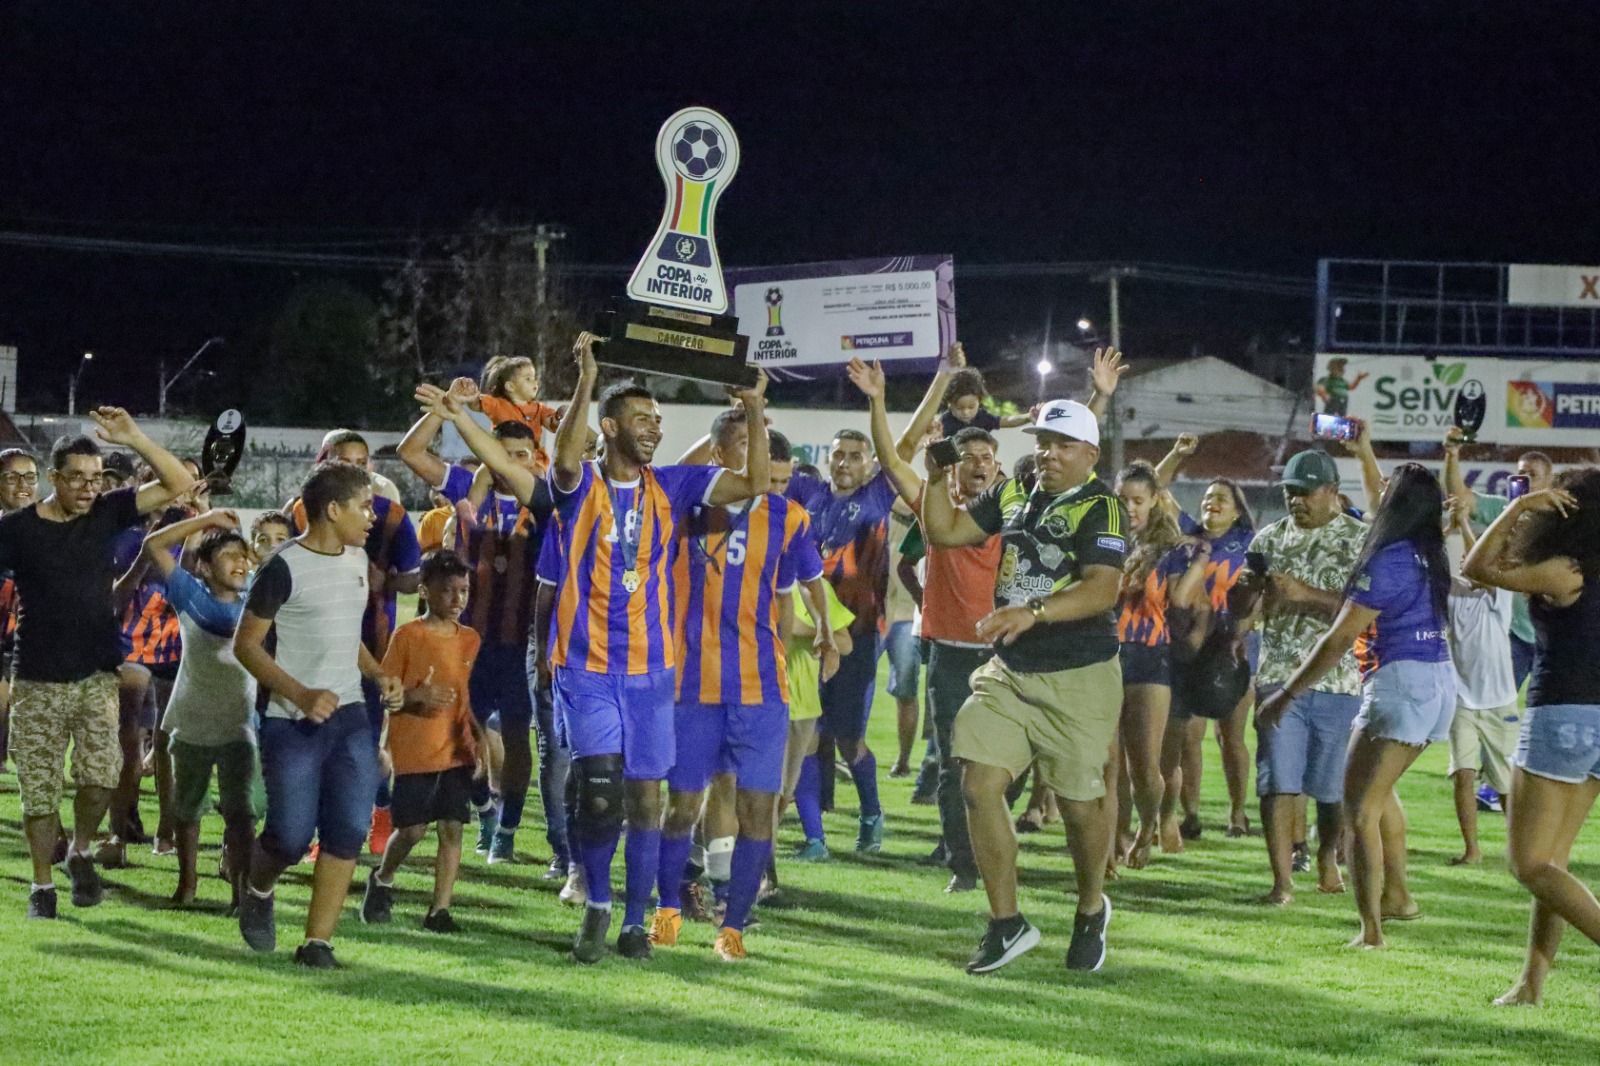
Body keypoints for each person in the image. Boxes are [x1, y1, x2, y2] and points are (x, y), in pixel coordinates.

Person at [473, 331, 770, 963]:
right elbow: (561, 463)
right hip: (587, 668)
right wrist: (586, 379)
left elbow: (753, 482)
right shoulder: (578, 488)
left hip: (652, 674)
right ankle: (599, 902)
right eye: (641, 419)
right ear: (608, 427)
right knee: (601, 794)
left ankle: (637, 919)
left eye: (659, 421)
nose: (654, 429)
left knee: (645, 799)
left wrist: (751, 409)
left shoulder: (677, 486)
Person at [922, 397, 1126, 975]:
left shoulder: (1103, 507)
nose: (1049, 453)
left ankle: (1090, 907)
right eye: (1042, 442)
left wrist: (1033, 610)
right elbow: (945, 529)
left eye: (1062, 445)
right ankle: (1006, 924)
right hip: (1011, 671)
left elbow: (1102, 589)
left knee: (1080, 806)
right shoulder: (1017, 491)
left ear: (1090, 453)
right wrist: (937, 478)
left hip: (1078, 676)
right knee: (979, 782)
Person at [0, 411, 193, 919]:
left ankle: (82, 849)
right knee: (39, 791)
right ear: (54, 478)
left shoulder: (108, 512)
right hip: (38, 678)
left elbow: (180, 482)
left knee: (100, 775)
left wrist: (133, 437)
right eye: (77, 478)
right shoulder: (16, 530)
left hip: (95, 674)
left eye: (95, 477)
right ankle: (42, 885)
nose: (88, 488)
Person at [651, 417, 829, 962]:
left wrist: (823, 628)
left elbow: (795, 585)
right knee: (682, 807)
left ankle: (733, 930)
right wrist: (742, 410)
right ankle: (667, 912)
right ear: (719, 453)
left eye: (773, 470)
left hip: (760, 690)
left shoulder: (790, 519)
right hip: (692, 687)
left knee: (759, 811)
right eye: (745, 450)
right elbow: (672, 471)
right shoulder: (682, 506)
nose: (762, 474)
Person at [1260, 463, 1454, 948]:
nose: (1378, 492)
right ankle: (1399, 897)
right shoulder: (1429, 553)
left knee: (1359, 810)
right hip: (1439, 684)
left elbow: (1337, 640)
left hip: (1400, 684)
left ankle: (1371, 931)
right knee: (1381, 795)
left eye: (1387, 489)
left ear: (1400, 504)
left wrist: (1286, 694)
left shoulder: (1386, 559)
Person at [233, 461, 405, 968]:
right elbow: (246, 645)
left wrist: (376, 674)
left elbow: (343, 633)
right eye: (364, 506)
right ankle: (257, 889)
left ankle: (317, 943)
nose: (372, 516)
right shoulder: (282, 566)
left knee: (349, 830)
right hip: (292, 721)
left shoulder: (355, 559)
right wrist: (302, 694)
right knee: (288, 835)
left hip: (350, 716)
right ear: (333, 509)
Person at [848, 356, 1005, 893]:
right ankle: (964, 866)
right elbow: (892, 459)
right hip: (952, 654)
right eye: (972, 457)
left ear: (999, 466)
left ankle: (992, 847)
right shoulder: (935, 503)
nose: (981, 464)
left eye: (989, 456)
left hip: (1004, 653)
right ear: (956, 466)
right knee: (953, 764)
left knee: (1010, 765)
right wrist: (876, 399)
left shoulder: (1013, 507)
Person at [1462, 466, 1600, 1006]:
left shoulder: (1567, 570)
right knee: (1555, 863)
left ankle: (1531, 984)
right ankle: (1530, 985)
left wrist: (1518, 509)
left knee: (1529, 864)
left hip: (1562, 717)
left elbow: (1477, 568)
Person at [397, 402, 552, 869]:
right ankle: (484, 810)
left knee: (520, 740)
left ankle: (506, 831)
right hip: (467, 640)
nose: (515, 463)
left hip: (521, 639)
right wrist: (444, 410)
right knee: (459, 734)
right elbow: (411, 451)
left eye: (524, 455)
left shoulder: (543, 500)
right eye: (506, 454)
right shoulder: (468, 488)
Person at [289, 431, 421, 855]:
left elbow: (413, 577)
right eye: (344, 460)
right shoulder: (298, 512)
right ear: (321, 463)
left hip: (369, 643)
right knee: (313, 741)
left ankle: (372, 810)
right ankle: (328, 827)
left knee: (358, 746)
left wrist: (388, 579)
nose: (355, 469)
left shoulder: (393, 517)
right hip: (311, 643)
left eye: (362, 461)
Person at [1248, 450, 1367, 906]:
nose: (1295, 500)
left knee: (1330, 787)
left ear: (1332, 491)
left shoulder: (1360, 541)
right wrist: (1245, 595)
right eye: (1289, 491)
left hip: (1339, 679)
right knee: (1278, 780)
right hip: (1278, 675)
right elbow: (1244, 615)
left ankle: (1326, 858)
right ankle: (1281, 883)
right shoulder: (1268, 539)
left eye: (1305, 491)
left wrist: (1306, 594)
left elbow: (1368, 610)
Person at [140, 508, 261, 908]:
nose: (239, 562)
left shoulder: (257, 601)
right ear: (205, 568)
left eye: (243, 555)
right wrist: (204, 518)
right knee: (186, 810)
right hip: (191, 720)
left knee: (241, 815)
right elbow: (154, 544)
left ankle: (240, 893)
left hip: (240, 724)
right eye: (228, 555)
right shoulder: (191, 595)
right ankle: (187, 886)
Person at [363, 550, 488, 932]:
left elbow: (468, 698)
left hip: (456, 749)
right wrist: (417, 697)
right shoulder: (407, 636)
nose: (457, 600)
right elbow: (388, 691)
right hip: (415, 749)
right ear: (425, 591)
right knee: (414, 830)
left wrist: (478, 744)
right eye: (448, 590)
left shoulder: (470, 640)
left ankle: (439, 911)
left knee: (452, 826)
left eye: (463, 590)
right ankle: (382, 878)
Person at [1155, 436, 1257, 841]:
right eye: (1208, 497)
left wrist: (1243, 629)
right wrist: (1178, 455)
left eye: (1222, 499)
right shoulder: (1189, 536)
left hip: (1233, 645)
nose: (1211, 503)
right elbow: (1157, 488)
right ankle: (1191, 813)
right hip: (1191, 646)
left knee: (1231, 734)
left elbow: (1261, 595)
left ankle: (1237, 812)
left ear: (1237, 511)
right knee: (1189, 735)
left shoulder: (1249, 543)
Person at [1111, 462, 1200, 870]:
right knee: (1109, 764)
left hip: (1150, 657)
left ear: (1154, 501)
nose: (1129, 508)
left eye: (1137, 500)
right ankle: (1113, 838)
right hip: (1105, 656)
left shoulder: (1173, 551)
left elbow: (1182, 602)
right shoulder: (1106, 541)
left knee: (1144, 765)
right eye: (1122, 499)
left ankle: (1148, 829)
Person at [1443, 495, 1519, 867]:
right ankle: (1472, 850)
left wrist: (1466, 527)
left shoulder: (1498, 591)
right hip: (1462, 700)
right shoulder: (1453, 592)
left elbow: (1482, 563)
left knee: (1506, 786)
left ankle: (1518, 849)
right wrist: (1451, 527)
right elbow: (1428, 563)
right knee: (1463, 775)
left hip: (1499, 700)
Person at [451, 356, 562, 476]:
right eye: (528, 379)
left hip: (532, 461)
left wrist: (560, 416)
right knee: (483, 476)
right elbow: (476, 404)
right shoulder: (498, 405)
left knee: (538, 475)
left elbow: (553, 425)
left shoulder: (540, 409)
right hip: (502, 459)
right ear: (510, 386)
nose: (534, 382)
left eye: (535, 378)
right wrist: (469, 394)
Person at [0, 447, 39, 771]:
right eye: (12, 477)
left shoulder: (54, 531)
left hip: (39, 651)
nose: (22, 485)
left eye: (29, 477)